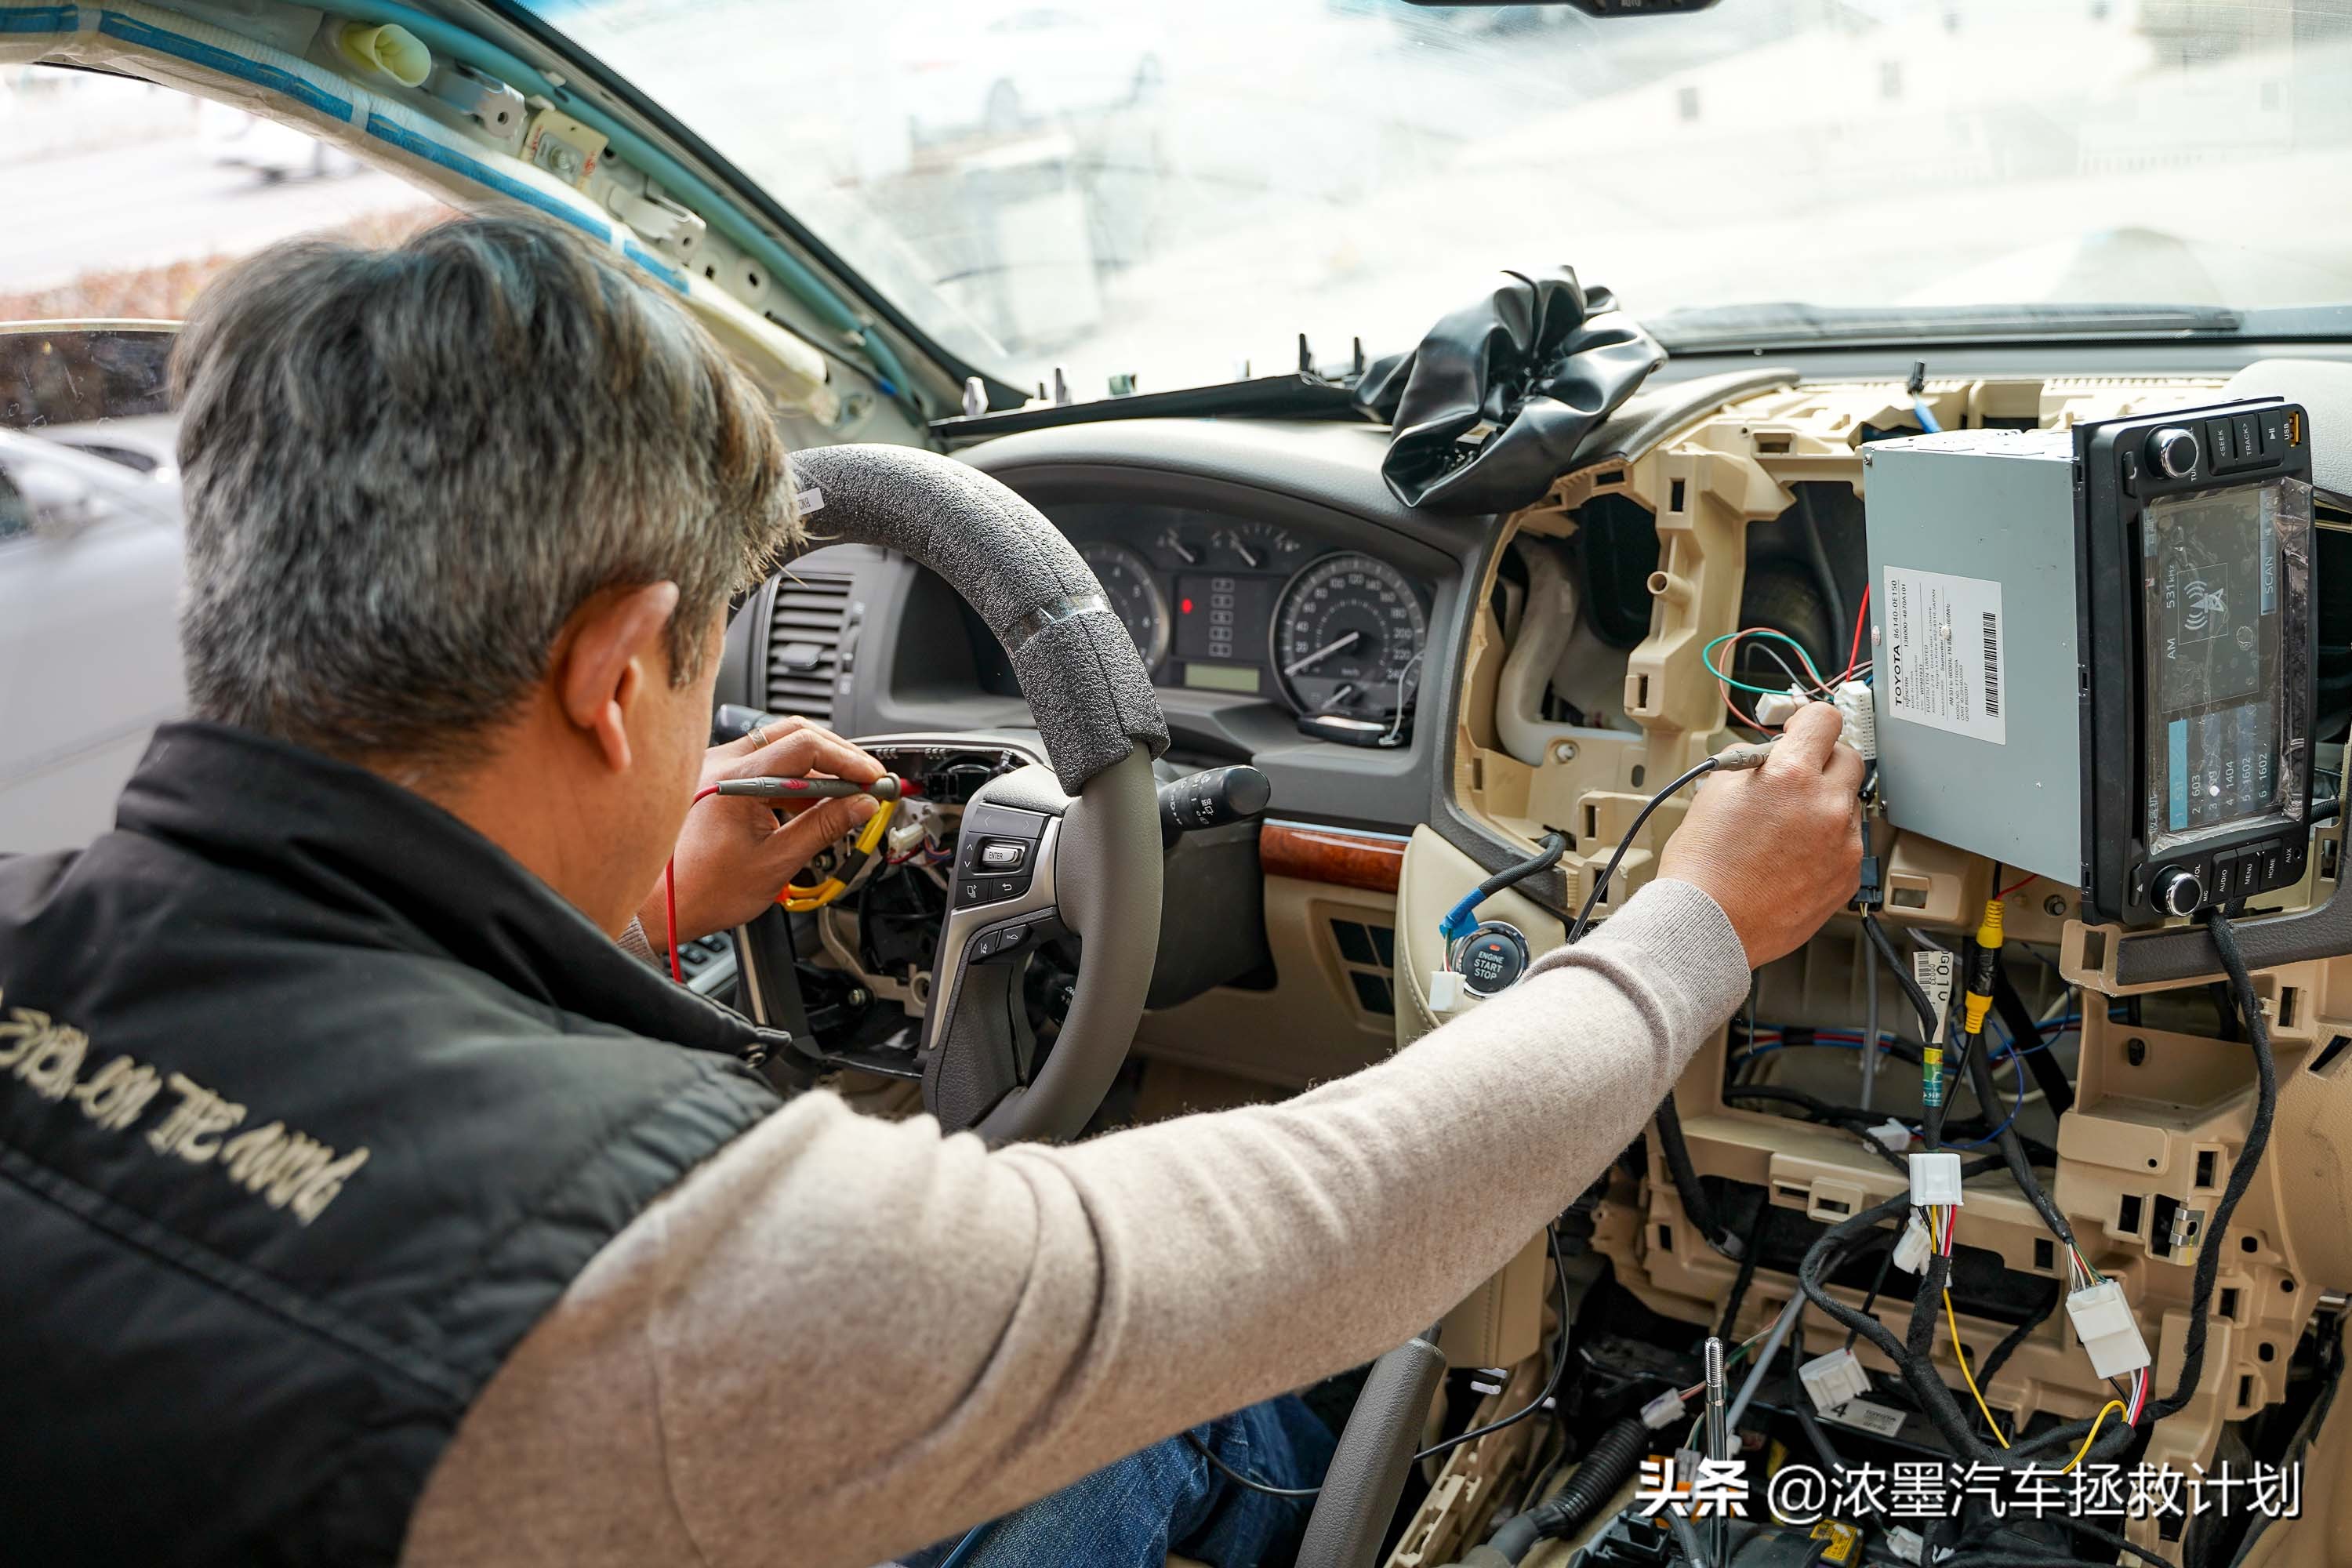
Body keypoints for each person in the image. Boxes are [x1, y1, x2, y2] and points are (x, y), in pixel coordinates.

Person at [0, 216, 1864, 1568]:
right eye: (713, 655)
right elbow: (1325, 1230)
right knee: (1222, 1400)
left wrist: (646, 911)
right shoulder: (651, 1270)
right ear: (620, 670)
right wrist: (1698, 918)